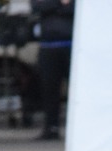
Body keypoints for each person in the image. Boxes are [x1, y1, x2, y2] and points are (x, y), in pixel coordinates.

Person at [29, 0, 72, 141]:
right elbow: (36, 6)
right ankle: (51, 127)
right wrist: (59, 3)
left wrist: (52, 6)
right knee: (49, 89)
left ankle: (78, 126)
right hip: (48, 46)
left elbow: (75, 9)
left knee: (76, 89)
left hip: (71, 45)